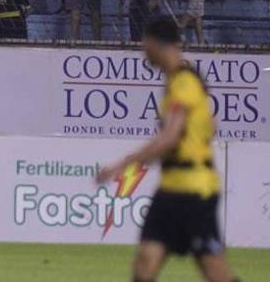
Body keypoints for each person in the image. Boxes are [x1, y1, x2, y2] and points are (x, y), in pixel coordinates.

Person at [96, 18, 238, 282]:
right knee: (145, 261)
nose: (143, 52)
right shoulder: (180, 81)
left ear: (155, 44)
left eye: (144, 45)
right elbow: (211, 125)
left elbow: (169, 138)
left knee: (215, 270)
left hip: (194, 191)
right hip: (170, 188)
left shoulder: (184, 83)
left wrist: (121, 165)